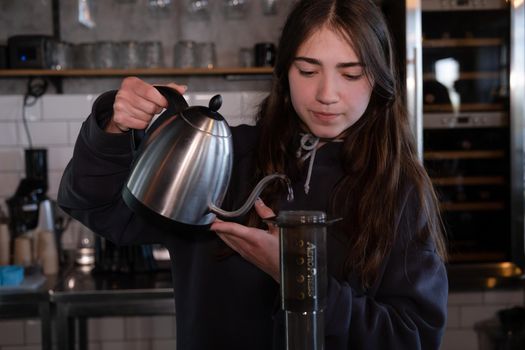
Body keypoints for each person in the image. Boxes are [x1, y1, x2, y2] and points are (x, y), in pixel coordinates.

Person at [58, 0, 449, 349]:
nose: (327, 94)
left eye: (351, 74)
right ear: (284, 72)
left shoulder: (398, 187)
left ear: (379, 79)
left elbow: (412, 336)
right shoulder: (224, 154)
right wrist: (111, 126)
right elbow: (101, 208)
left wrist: (297, 277)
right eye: (308, 70)